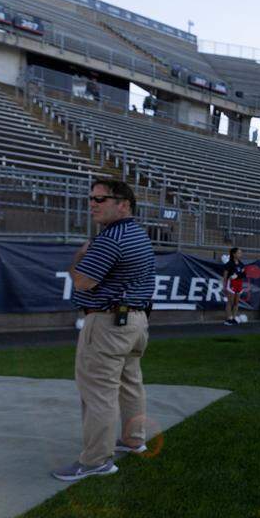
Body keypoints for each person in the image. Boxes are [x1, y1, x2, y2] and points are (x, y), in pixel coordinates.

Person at [51, 179, 154, 482]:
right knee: (130, 383)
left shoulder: (110, 239)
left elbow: (82, 281)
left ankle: (96, 460)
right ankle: (134, 439)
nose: (93, 204)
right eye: (91, 199)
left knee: (98, 392)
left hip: (108, 323)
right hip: (135, 321)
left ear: (123, 204)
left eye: (101, 199)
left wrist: (80, 257)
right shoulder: (137, 233)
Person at [222, 247, 246, 325]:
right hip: (231, 283)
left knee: (236, 302)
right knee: (230, 302)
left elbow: (244, 275)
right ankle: (229, 318)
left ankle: (234, 318)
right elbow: (225, 276)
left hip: (239, 284)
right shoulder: (229, 264)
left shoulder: (241, 264)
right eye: (239, 253)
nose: (240, 254)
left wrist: (238, 275)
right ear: (234, 254)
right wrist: (224, 286)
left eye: (241, 253)